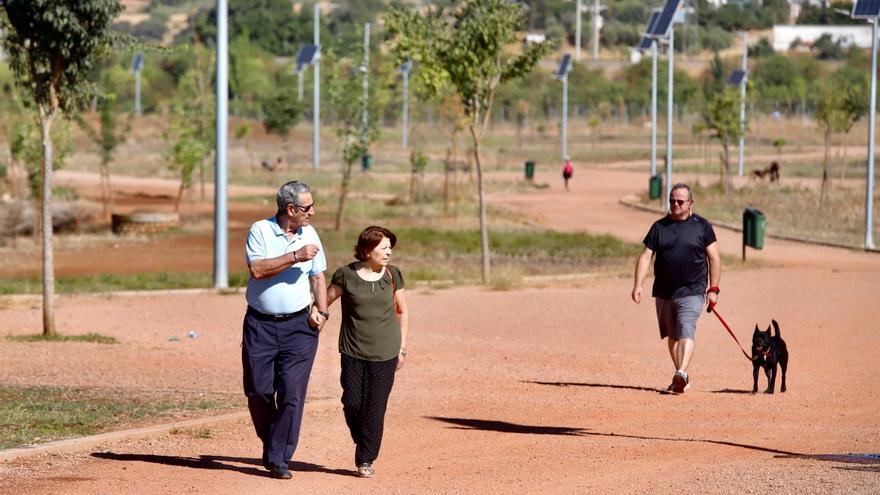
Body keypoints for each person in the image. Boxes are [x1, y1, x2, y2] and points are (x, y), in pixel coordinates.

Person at [241, 180, 329, 479]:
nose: (313, 212)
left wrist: (322, 311)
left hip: (299, 328)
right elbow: (257, 270)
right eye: (308, 207)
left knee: (292, 393)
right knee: (258, 391)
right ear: (290, 209)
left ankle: (279, 458)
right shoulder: (260, 230)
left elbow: (318, 276)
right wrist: (294, 256)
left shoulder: (310, 233)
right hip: (260, 326)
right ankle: (273, 443)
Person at [326, 226, 409, 478]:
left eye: (390, 248)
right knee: (352, 402)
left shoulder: (393, 274)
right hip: (353, 351)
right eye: (383, 248)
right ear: (367, 250)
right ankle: (363, 437)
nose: (389, 252)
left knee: (375, 407)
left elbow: (402, 311)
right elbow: (324, 302)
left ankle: (365, 459)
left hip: (386, 353)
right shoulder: (346, 275)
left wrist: (402, 349)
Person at [631, 183, 720, 394]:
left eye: (680, 201)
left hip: (693, 290)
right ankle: (681, 375)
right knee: (672, 336)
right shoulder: (659, 227)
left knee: (686, 329)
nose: (675, 205)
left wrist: (713, 289)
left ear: (690, 203)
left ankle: (680, 372)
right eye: (672, 201)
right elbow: (646, 256)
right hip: (664, 291)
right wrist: (638, 285)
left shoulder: (702, 226)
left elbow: (714, 258)